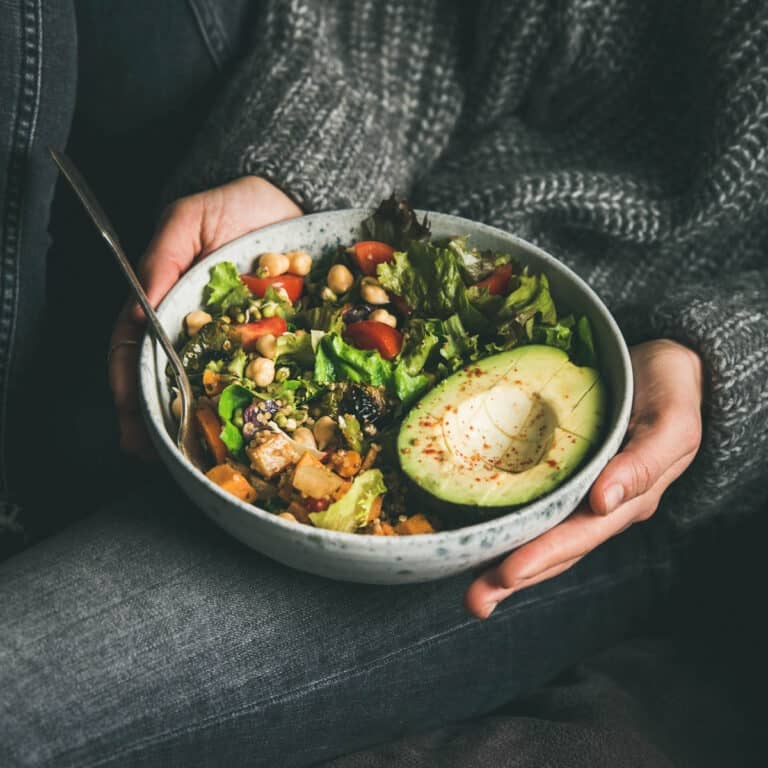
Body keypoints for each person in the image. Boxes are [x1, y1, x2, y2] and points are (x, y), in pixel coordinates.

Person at [0, 1, 765, 766]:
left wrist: (722, 357)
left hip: (623, 476)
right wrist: (289, 173)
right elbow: (425, 23)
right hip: (389, 186)